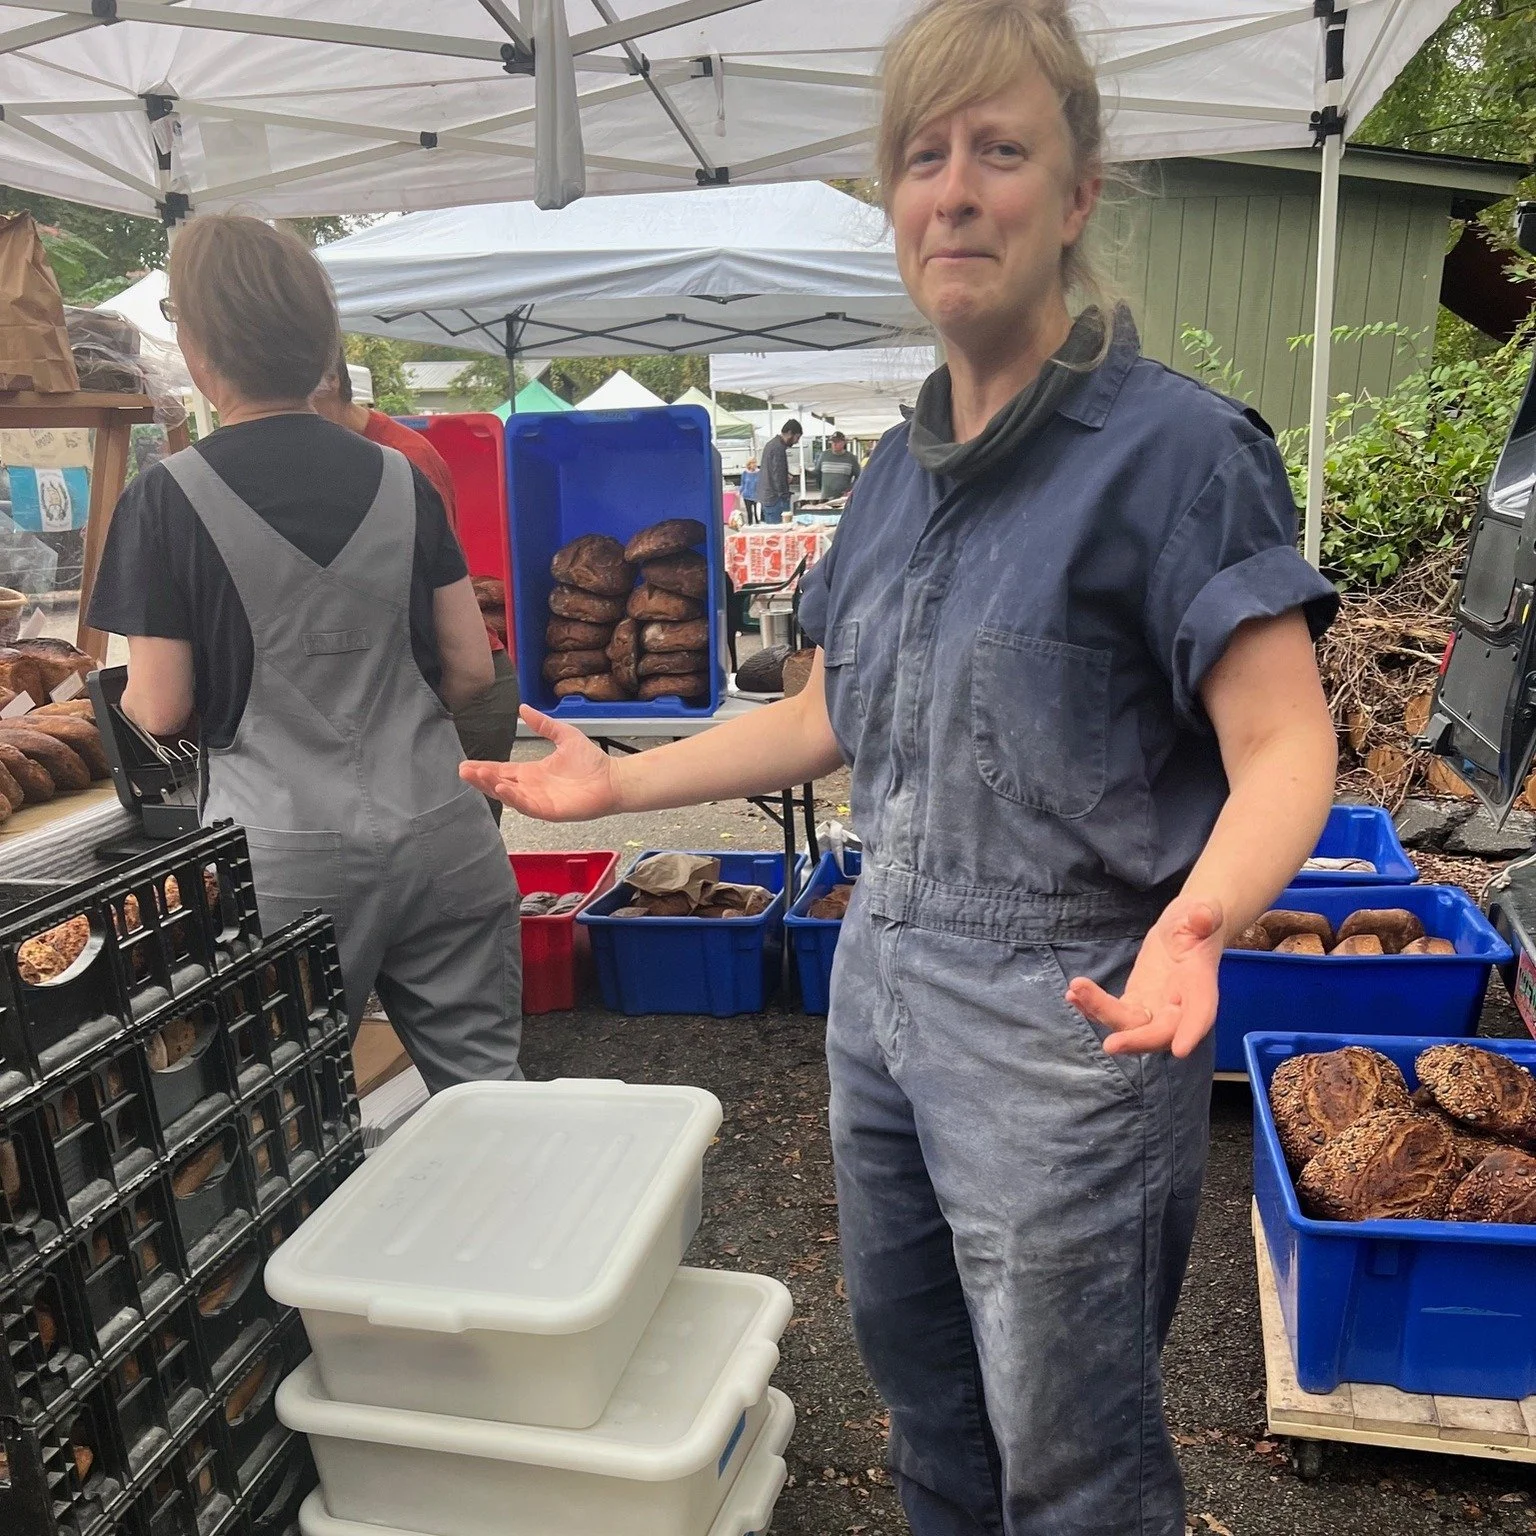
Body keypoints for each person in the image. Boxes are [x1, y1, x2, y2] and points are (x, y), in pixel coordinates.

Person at [464, 0, 1340, 1529]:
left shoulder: (1181, 456)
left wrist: (1202, 918)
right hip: (882, 988)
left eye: (1001, 149)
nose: (954, 188)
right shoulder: (892, 474)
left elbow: (1285, 741)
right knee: (929, 1422)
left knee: (1075, 1466)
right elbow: (828, 717)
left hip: (1070, 1024)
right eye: (921, 156)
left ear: (1073, 198)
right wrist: (619, 784)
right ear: (892, 203)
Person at [90, 214, 522, 1096]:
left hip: (281, 865)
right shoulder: (402, 476)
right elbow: (472, 671)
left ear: (199, 345)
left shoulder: (165, 499)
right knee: (488, 1089)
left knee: (294, 1115)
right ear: (321, 342)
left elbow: (159, 707)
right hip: (444, 832)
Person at [312, 350, 521, 824]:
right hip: (419, 686)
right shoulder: (335, 454)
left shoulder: (402, 461)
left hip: (458, 691)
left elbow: (415, 603)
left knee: (455, 854)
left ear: (325, 381)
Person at [757, 419, 801, 523]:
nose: (797, 441)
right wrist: (784, 493)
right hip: (776, 499)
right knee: (779, 533)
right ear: (790, 433)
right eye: (797, 437)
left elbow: (772, 470)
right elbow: (778, 475)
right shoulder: (778, 448)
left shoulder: (771, 444)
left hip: (769, 496)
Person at [813, 430, 861, 500]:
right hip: (826, 498)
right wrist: (805, 472)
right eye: (833, 442)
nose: (834, 444)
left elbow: (859, 476)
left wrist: (851, 489)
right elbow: (816, 473)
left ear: (844, 443)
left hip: (843, 498)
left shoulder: (851, 458)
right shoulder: (824, 455)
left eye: (837, 442)